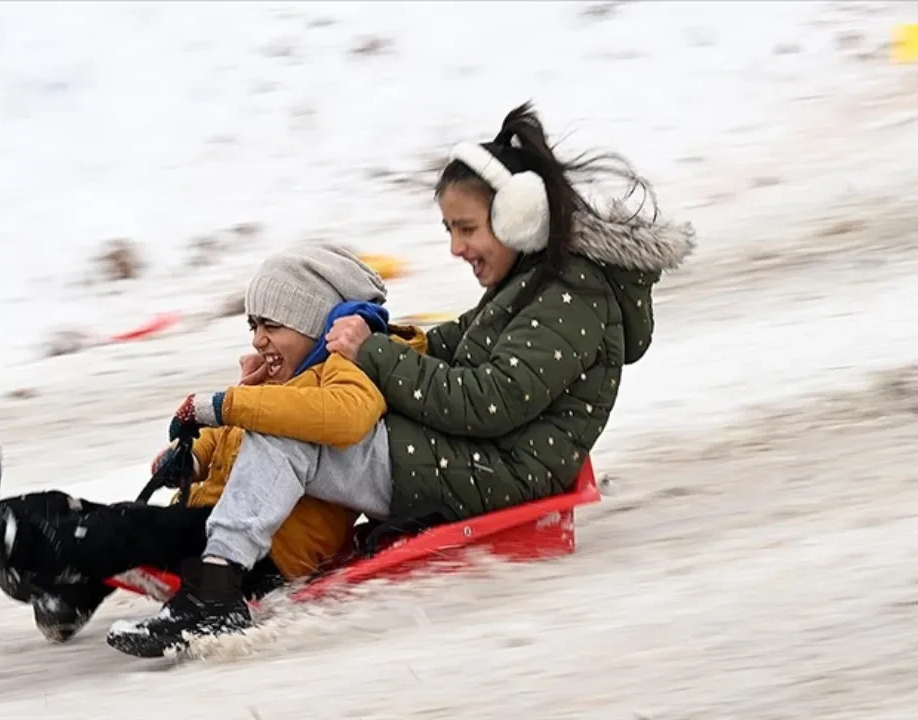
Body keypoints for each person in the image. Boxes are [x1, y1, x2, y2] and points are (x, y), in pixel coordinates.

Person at [105, 102, 696, 657]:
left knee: (290, 429)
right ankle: (226, 556)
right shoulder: (538, 285)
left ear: (519, 218)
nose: (455, 247)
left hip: (502, 472)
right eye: (448, 230)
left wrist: (379, 356)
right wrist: (386, 341)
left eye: (465, 228)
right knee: (306, 413)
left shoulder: (570, 297)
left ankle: (217, 589)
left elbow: (490, 401)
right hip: (481, 456)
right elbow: (457, 343)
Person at [0, 243, 426, 647]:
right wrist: (194, 453)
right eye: (252, 325)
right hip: (210, 522)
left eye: (271, 325)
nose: (256, 341)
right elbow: (242, 448)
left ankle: (10, 546)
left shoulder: (340, 378)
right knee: (61, 508)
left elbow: (320, 428)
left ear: (318, 321)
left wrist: (233, 402)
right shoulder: (277, 384)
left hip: (261, 553)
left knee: (102, 531)